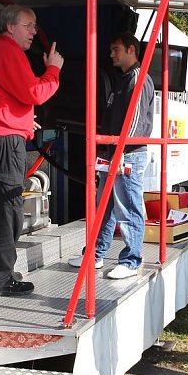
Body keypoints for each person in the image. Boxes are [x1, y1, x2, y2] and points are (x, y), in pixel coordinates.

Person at [0, 4, 64, 296]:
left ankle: (2, 271)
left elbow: (1, 97)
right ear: (10, 26)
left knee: (1, 209)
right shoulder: (9, 52)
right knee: (9, 209)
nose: (34, 31)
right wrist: (53, 70)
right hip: (4, 142)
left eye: (35, 26)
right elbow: (34, 92)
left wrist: (22, 119)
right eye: (29, 25)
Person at [68, 32, 154, 279]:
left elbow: (135, 121)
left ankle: (131, 261)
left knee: (128, 208)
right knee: (104, 206)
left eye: (116, 48)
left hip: (127, 154)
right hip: (114, 152)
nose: (111, 54)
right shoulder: (123, 78)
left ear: (131, 50)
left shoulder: (137, 78)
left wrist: (120, 151)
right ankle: (95, 255)